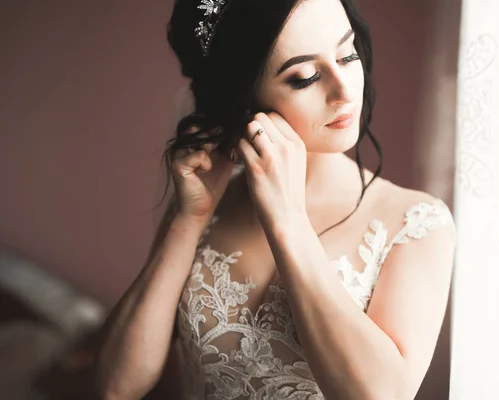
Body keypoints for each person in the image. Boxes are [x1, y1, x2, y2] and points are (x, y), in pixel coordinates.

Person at [94, 0, 457, 399]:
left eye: (348, 54)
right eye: (304, 77)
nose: (344, 90)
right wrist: (189, 218)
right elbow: (115, 387)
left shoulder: (415, 224)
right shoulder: (207, 199)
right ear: (244, 96)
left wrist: (288, 218)